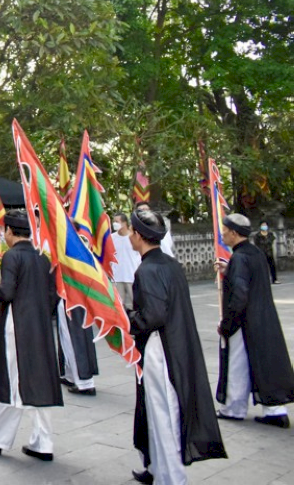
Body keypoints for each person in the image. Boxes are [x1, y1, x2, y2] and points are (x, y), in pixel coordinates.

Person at [128, 207, 225, 485]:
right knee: (158, 412)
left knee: (165, 414)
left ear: (137, 235)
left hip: (161, 348)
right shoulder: (170, 263)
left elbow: (153, 316)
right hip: (175, 342)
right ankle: (158, 468)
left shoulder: (148, 269)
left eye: (131, 233)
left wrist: (127, 317)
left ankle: (172, 478)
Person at [0, 210, 62, 461]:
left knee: (11, 383)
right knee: (39, 383)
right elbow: (53, 295)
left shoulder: (12, 257)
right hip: (40, 327)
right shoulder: (42, 258)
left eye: (3, 231)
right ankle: (43, 443)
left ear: (9, 231)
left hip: (16, 327)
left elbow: (7, 293)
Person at [215, 213, 294, 428]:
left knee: (237, 364)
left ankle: (233, 408)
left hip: (245, 320)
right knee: (267, 363)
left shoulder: (240, 258)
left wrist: (228, 323)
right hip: (264, 317)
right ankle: (276, 410)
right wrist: (228, 269)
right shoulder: (255, 253)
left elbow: (240, 294)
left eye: (224, 232)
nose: (223, 236)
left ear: (233, 233)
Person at [110, 212, 142, 309]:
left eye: (117, 221)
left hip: (132, 276)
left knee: (137, 305)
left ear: (124, 223)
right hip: (116, 277)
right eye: (113, 221)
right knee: (117, 307)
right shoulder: (112, 238)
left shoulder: (133, 237)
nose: (114, 223)